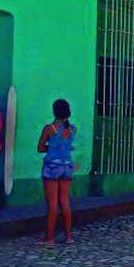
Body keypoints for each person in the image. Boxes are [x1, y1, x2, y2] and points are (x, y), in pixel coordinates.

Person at [38, 99, 76, 245]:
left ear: (54, 111)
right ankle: (68, 237)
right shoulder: (73, 129)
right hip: (67, 165)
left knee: (52, 203)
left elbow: (40, 148)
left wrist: (52, 148)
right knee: (65, 201)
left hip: (52, 166)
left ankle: (49, 238)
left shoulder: (49, 128)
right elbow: (67, 147)